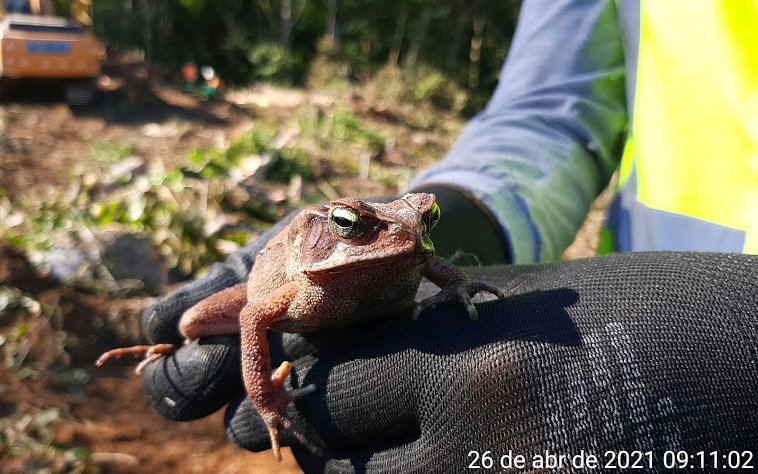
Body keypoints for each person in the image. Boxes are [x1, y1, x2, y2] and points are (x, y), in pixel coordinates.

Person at [138, 0, 758, 471]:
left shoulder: (407, 249)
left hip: (669, 316)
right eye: (365, 226)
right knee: (192, 325)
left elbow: (426, 259)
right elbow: (549, 107)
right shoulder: (303, 280)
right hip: (646, 278)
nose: (408, 236)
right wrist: (474, 204)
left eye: (424, 224)